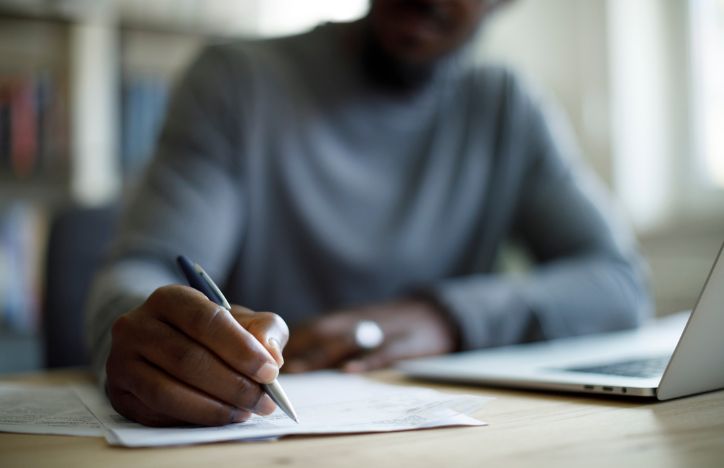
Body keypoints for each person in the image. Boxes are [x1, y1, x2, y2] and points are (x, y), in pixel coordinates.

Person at [86, 0, 651, 427]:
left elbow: (618, 280)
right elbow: (143, 269)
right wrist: (143, 338)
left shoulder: (505, 108)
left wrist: (444, 318)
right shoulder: (237, 83)